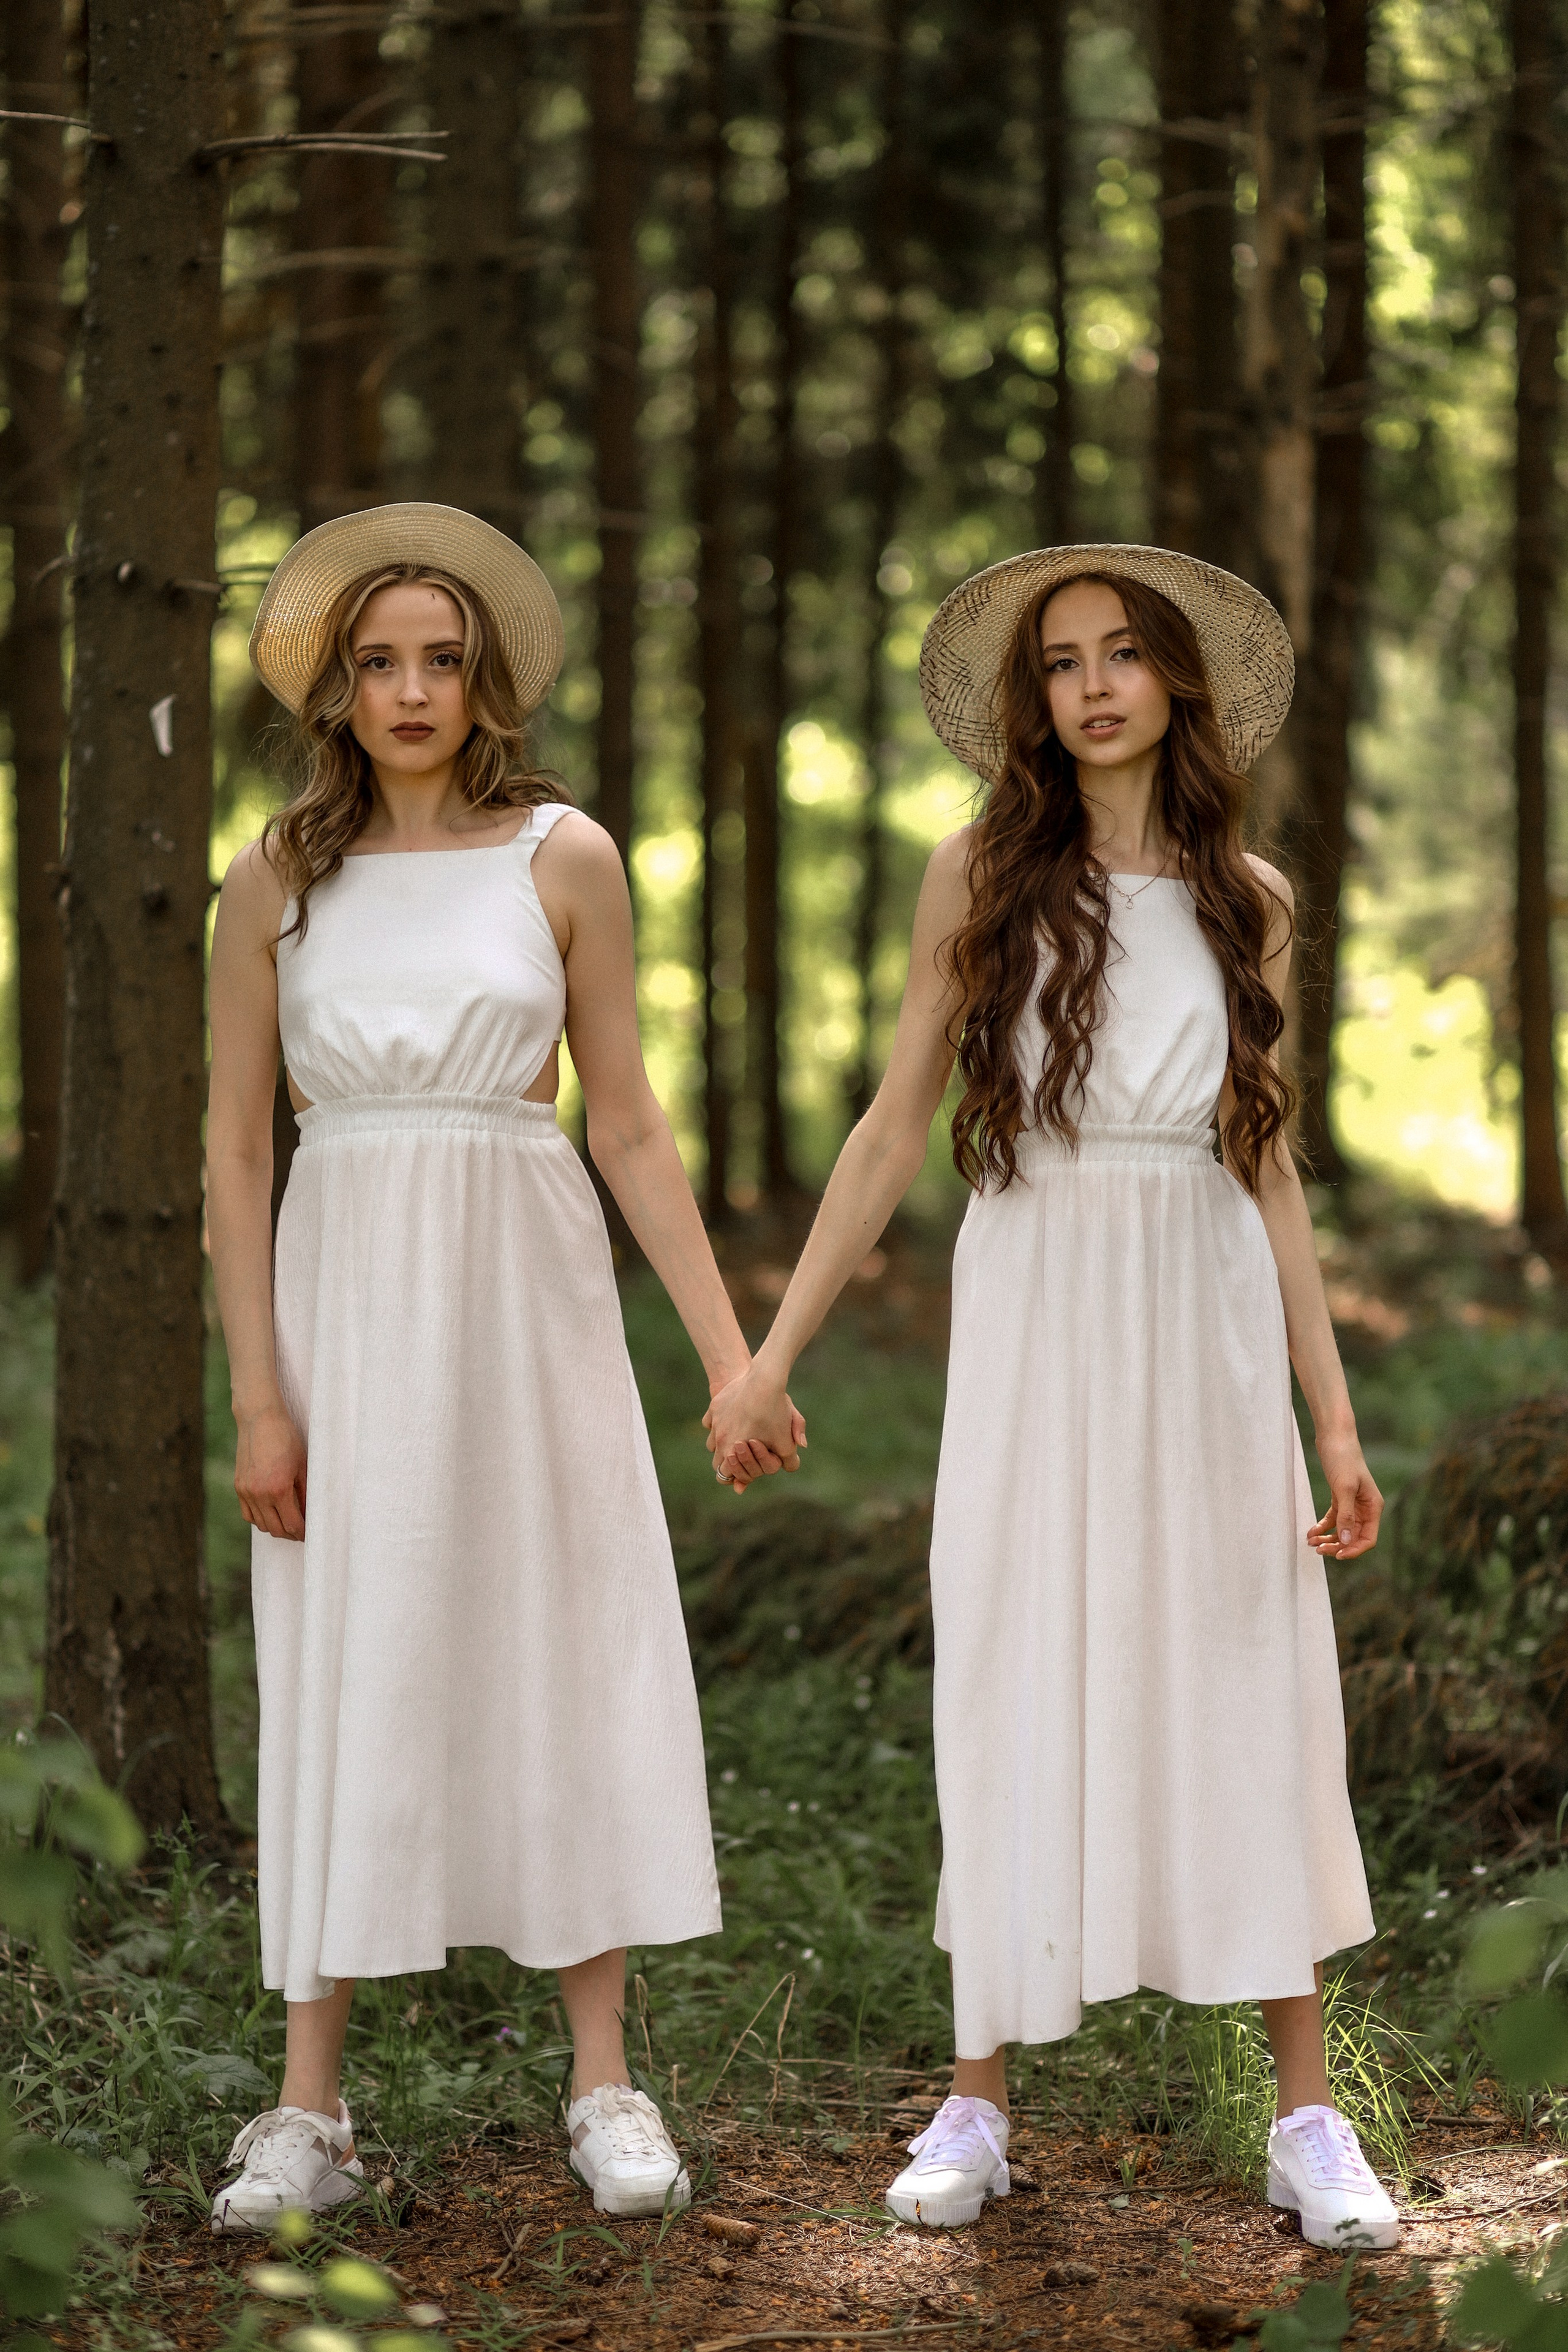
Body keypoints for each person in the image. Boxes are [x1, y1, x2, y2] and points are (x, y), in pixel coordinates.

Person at [707, 545, 1399, 2252]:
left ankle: (1306, 2116)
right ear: (1037, 703)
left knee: (1242, 1663)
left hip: (1207, 1316)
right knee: (1017, 1651)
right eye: (1063, 662)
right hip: (1036, 1302)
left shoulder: (1255, 898)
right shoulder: (982, 875)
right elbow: (889, 1128)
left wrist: (1335, 1418)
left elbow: (1270, 1162)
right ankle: (978, 2099)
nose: (1093, 684)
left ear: (1176, 682)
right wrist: (769, 1350)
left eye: (1123, 655)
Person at [205, 502, 801, 2232]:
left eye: (439, 660)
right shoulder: (276, 878)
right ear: (333, 685)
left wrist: (729, 1358)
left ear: (484, 685)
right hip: (342, 1303)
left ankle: (605, 2080)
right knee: (342, 1650)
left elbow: (622, 1121)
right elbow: (240, 1155)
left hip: (525, 1293)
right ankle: (308, 2107)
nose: (408, 689)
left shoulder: (563, 855)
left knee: (557, 1631)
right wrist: (259, 1391)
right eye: (376, 660)